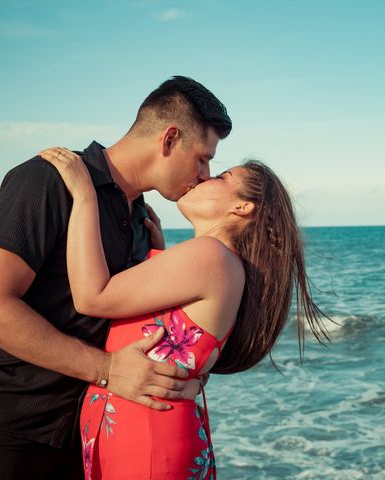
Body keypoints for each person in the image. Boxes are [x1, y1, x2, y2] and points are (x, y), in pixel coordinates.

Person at [0, 76, 232, 480]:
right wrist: (107, 368)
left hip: (78, 438)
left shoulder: (141, 221)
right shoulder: (49, 179)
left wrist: (184, 377)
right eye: (202, 157)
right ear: (169, 139)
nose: (205, 173)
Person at [39, 146, 330, 479]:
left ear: (242, 207)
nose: (204, 176)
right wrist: (159, 255)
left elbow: (92, 297)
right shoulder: (219, 262)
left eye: (222, 177)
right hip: (146, 431)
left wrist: (84, 195)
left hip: (146, 437)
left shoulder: (210, 256)